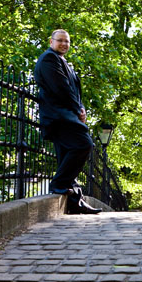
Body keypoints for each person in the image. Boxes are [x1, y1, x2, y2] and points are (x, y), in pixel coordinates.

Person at [34, 29, 102, 215]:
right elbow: (61, 88)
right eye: (60, 40)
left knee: (66, 156)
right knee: (83, 144)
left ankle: (74, 200)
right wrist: (77, 109)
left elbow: (74, 90)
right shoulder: (49, 59)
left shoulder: (63, 61)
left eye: (67, 41)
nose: (64, 44)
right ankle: (59, 184)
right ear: (51, 41)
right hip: (59, 116)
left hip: (67, 114)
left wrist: (81, 107)